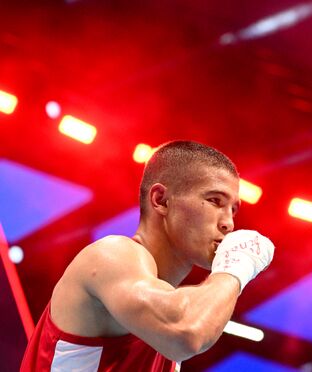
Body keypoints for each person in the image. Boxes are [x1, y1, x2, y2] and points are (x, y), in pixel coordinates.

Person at [20, 140, 275, 371]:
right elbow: (187, 332)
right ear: (161, 200)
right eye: (215, 201)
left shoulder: (165, 310)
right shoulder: (111, 256)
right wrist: (234, 269)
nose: (229, 224)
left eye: (233, 210)